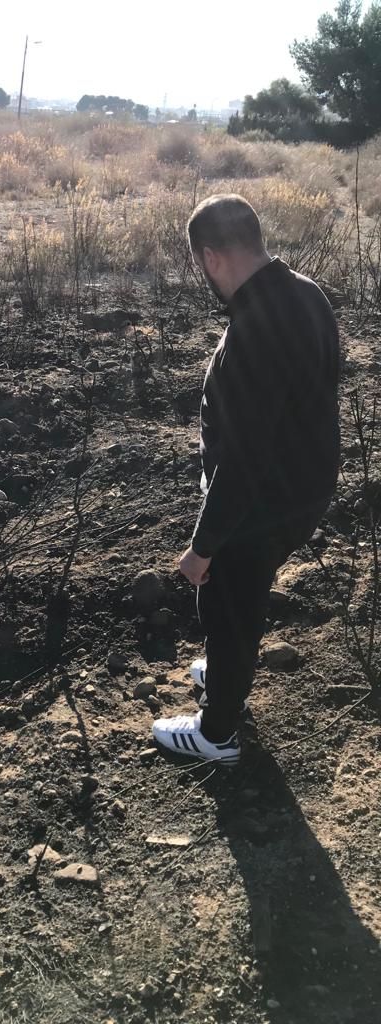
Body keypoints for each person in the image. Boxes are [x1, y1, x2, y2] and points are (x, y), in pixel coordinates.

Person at [151, 194, 341, 765]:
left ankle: (217, 733)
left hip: (263, 502)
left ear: (210, 257)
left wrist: (201, 548)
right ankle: (225, 668)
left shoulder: (253, 330)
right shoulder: (309, 294)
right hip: (305, 489)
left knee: (229, 599)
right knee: (241, 595)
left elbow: (244, 460)